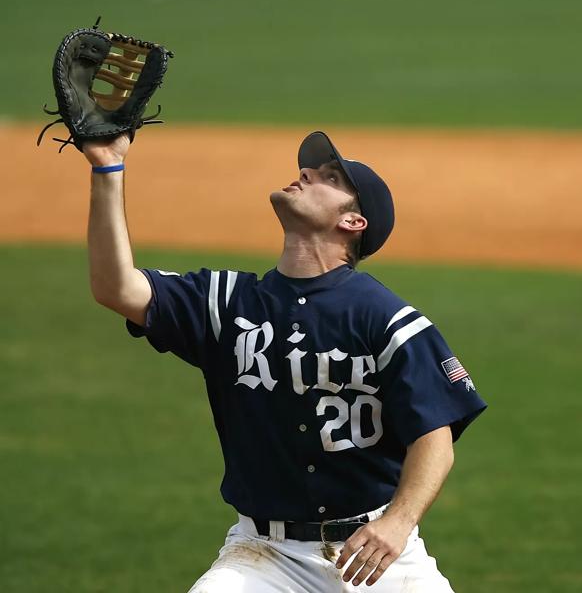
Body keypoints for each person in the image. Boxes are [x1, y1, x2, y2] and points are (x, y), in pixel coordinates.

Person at [83, 130, 487, 592]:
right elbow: (115, 288)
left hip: (379, 555)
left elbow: (435, 438)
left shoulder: (385, 319)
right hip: (265, 557)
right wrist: (107, 166)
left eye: (329, 177)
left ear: (353, 222)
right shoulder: (228, 304)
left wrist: (398, 522)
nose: (305, 173)